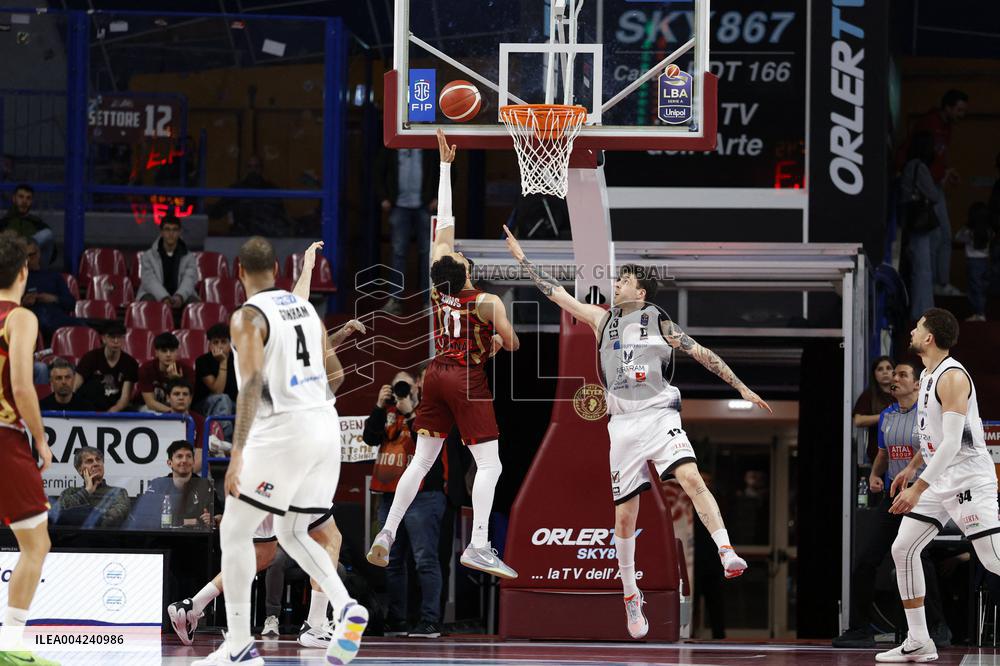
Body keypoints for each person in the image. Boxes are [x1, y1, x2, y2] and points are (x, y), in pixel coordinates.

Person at [504, 229, 770, 640]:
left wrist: (741, 387)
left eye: (624, 280)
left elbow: (701, 353)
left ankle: (726, 550)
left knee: (692, 479)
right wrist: (523, 261)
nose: (616, 284)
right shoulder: (602, 318)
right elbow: (558, 294)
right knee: (625, 516)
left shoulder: (659, 321)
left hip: (660, 415)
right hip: (623, 425)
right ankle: (631, 594)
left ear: (640, 291)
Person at [172, 240, 363, 651]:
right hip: (326, 429)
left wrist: (237, 452)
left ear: (238, 270)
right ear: (276, 268)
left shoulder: (246, 318)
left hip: (283, 433)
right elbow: (335, 373)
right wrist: (309, 265)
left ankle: (239, 645)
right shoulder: (308, 311)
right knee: (293, 533)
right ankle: (345, 607)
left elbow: (251, 386)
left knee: (235, 532)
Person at [367, 129, 521, 582]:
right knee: (489, 463)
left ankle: (386, 533)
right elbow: (513, 344)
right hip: (465, 377)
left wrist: (445, 166)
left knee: (422, 460)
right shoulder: (487, 301)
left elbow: (443, 224)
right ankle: (478, 544)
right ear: (467, 271)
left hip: (432, 373)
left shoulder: (437, 288)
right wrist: (494, 342)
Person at [877, 308, 1000, 662]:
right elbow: (931, 438)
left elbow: (952, 443)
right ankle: (919, 640)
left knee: (992, 558)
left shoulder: (952, 377)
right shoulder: (927, 375)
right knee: (903, 549)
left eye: (917, 328)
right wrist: (911, 469)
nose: (912, 332)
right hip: (938, 478)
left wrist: (917, 487)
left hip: (967, 478)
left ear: (929, 337)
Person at [833, 359, 949, 649]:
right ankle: (861, 628)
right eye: (893, 374)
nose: (894, 378)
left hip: (923, 494)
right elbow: (884, 453)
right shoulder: (886, 415)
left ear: (916, 384)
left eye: (902, 374)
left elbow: (932, 447)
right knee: (865, 560)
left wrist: (911, 469)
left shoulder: (928, 414)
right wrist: (874, 474)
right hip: (893, 494)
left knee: (917, 557)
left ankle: (937, 626)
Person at [0, 234, 58, 665]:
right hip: (3, 437)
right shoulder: (19, 318)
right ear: (24, 271)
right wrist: (39, 439)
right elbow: (21, 385)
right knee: (35, 545)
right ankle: (11, 645)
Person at [364, 370, 446, 638]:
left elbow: (427, 441)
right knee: (392, 560)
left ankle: (430, 620)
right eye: (398, 386)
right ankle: (397, 619)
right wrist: (379, 406)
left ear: (417, 388)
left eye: (406, 386)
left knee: (425, 560)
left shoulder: (428, 409)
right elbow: (370, 438)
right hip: (389, 494)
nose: (401, 391)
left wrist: (410, 412)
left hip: (424, 496)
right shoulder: (387, 410)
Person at [906, 90, 969, 298]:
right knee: (935, 238)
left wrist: (947, 171)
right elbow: (922, 155)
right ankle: (936, 284)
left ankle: (939, 283)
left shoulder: (946, 126)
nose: (962, 114)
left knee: (942, 236)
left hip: (935, 186)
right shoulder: (929, 123)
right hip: (926, 190)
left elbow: (940, 157)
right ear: (948, 107)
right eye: (959, 110)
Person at [377, 146, 438, 314]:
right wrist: (383, 197)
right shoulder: (391, 147)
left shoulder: (429, 148)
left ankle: (428, 302)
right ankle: (395, 300)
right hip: (399, 206)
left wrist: (437, 197)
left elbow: (448, 170)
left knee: (428, 254)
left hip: (424, 206)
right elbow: (378, 172)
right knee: (398, 253)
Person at [127, 440, 222, 530]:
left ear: (193, 462)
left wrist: (213, 519)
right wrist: (195, 521)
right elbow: (146, 518)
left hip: (196, 542)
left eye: (188, 456)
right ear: (170, 463)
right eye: (179, 456)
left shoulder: (205, 486)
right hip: (162, 541)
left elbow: (220, 516)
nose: (184, 460)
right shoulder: (158, 485)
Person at [900, 132, 943, 321]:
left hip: (910, 220)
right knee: (923, 268)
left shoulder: (909, 166)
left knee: (917, 267)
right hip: (921, 222)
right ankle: (924, 310)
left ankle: (919, 309)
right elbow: (933, 195)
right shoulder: (920, 167)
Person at [51, 447, 130, 529]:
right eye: (89, 461)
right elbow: (57, 515)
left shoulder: (118, 492)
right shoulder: (70, 492)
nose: (96, 463)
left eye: (98, 460)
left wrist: (77, 515)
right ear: (80, 470)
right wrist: (86, 491)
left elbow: (114, 518)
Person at [73, 321, 138, 413]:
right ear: (103, 338)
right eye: (112, 337)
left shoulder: (130, 363)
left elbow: (124, 399)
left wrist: (109, 414)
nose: (116, 341)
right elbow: (75, 387)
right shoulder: (90, 358)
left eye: (119, 337)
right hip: (89, 406)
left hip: (114, 408)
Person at [135, 215, 198, 308]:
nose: (171, 233)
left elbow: (189, 280)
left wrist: (180, 296)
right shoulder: (148, 256)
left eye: (174, 230)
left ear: (180, 232)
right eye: (167, 229)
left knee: (194, 304)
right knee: (148, 300)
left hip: (181, 297)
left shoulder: (189, 257)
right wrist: (164, 297)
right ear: (161, 232)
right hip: (155, 296)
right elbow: (149, 281)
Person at [23, 238, 77, 341]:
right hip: (33, 319)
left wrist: (53, 298)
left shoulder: (53, 276)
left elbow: (71, 303)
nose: (29, 260)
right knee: (43, 321)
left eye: (32, 255)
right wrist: (23, 303)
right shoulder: (19, 279)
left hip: (57, 317)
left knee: (83, 327)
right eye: (25, 257)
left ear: (38, 253)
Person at [137, 332, 195, 413]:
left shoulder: (187, 370)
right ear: (156, 353)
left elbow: (187, 402)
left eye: (172, 351)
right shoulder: (146, 369)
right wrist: (171, 412)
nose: (168, 354)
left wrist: (177, 380)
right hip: (152, 408)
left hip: (177, 408)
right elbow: (150, 403)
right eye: (164, 351)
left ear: (177, 352)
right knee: (149, 412)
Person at [853, 356, 895, 465]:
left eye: (888, 368)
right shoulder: (869, 395)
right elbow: (858, 420)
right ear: (874, 374)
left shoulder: (902, 393)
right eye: (880, 369)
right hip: (877, 454)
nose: (885, 372)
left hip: (901, 453)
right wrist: (884, 415)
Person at [955, 202, 993, 322]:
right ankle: (981, 311)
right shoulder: (989, 230)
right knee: (981, 287)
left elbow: (957, 237)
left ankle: (979, 312)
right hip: (986, 261)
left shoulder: (968, 231)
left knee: (974, 288)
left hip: (973, 262)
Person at [0, 184, 54, 266]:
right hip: (11, 266)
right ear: (14, 199)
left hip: (34, 264)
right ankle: (22, 251)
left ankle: (24, 250)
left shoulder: (37, 223)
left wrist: (34, 249)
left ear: (31, 201)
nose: (24, 201)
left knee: (47, 234)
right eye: (21, 197)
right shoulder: (4, 222)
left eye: (28, 198)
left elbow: (51, 251)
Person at [194, 323, 237, 423]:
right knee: (223, 399)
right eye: (215, 342)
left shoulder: (238, 360)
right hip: (205, 405)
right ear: (209, 345)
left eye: (223, 342)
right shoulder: (202, 361)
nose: (220, 346)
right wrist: (223, 362)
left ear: (230, 344)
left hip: (232, 404)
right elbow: (218, 391)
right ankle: (223, 438)